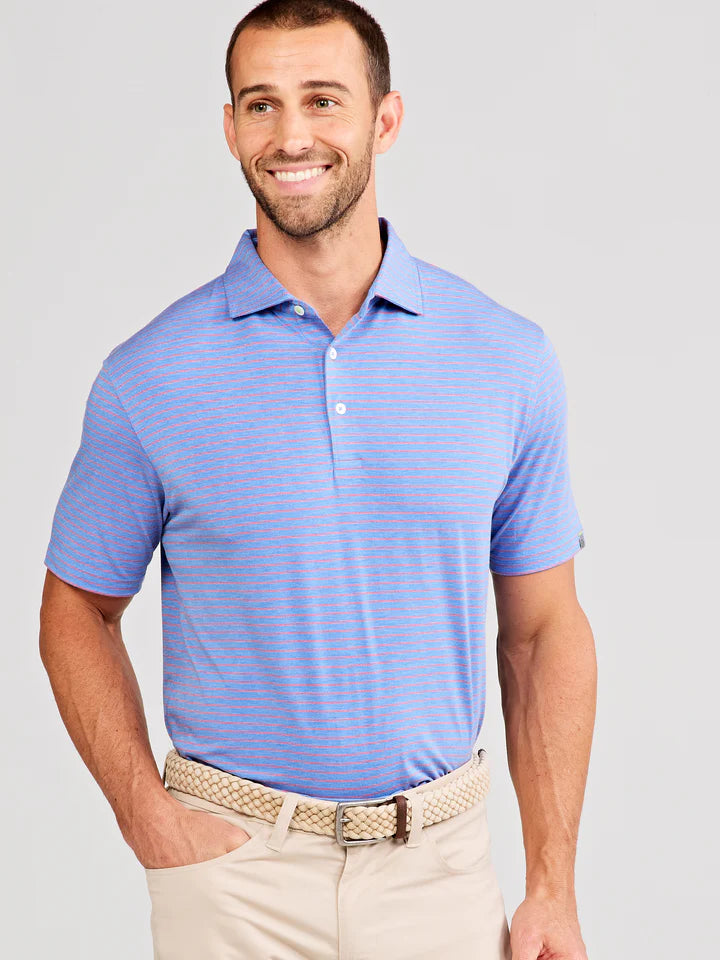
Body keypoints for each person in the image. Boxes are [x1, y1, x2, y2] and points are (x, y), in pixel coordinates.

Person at [39, 1, 596, 958]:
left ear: (386, 118)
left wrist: (552, 885)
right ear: (230, 128)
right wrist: (146, 816)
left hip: (438, 873)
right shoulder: (149, 378)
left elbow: (544, 633)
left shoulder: (504, 359)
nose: (291, 135)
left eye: (323, 100)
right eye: (261, 104)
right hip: (235, 879)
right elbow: (74, 612)